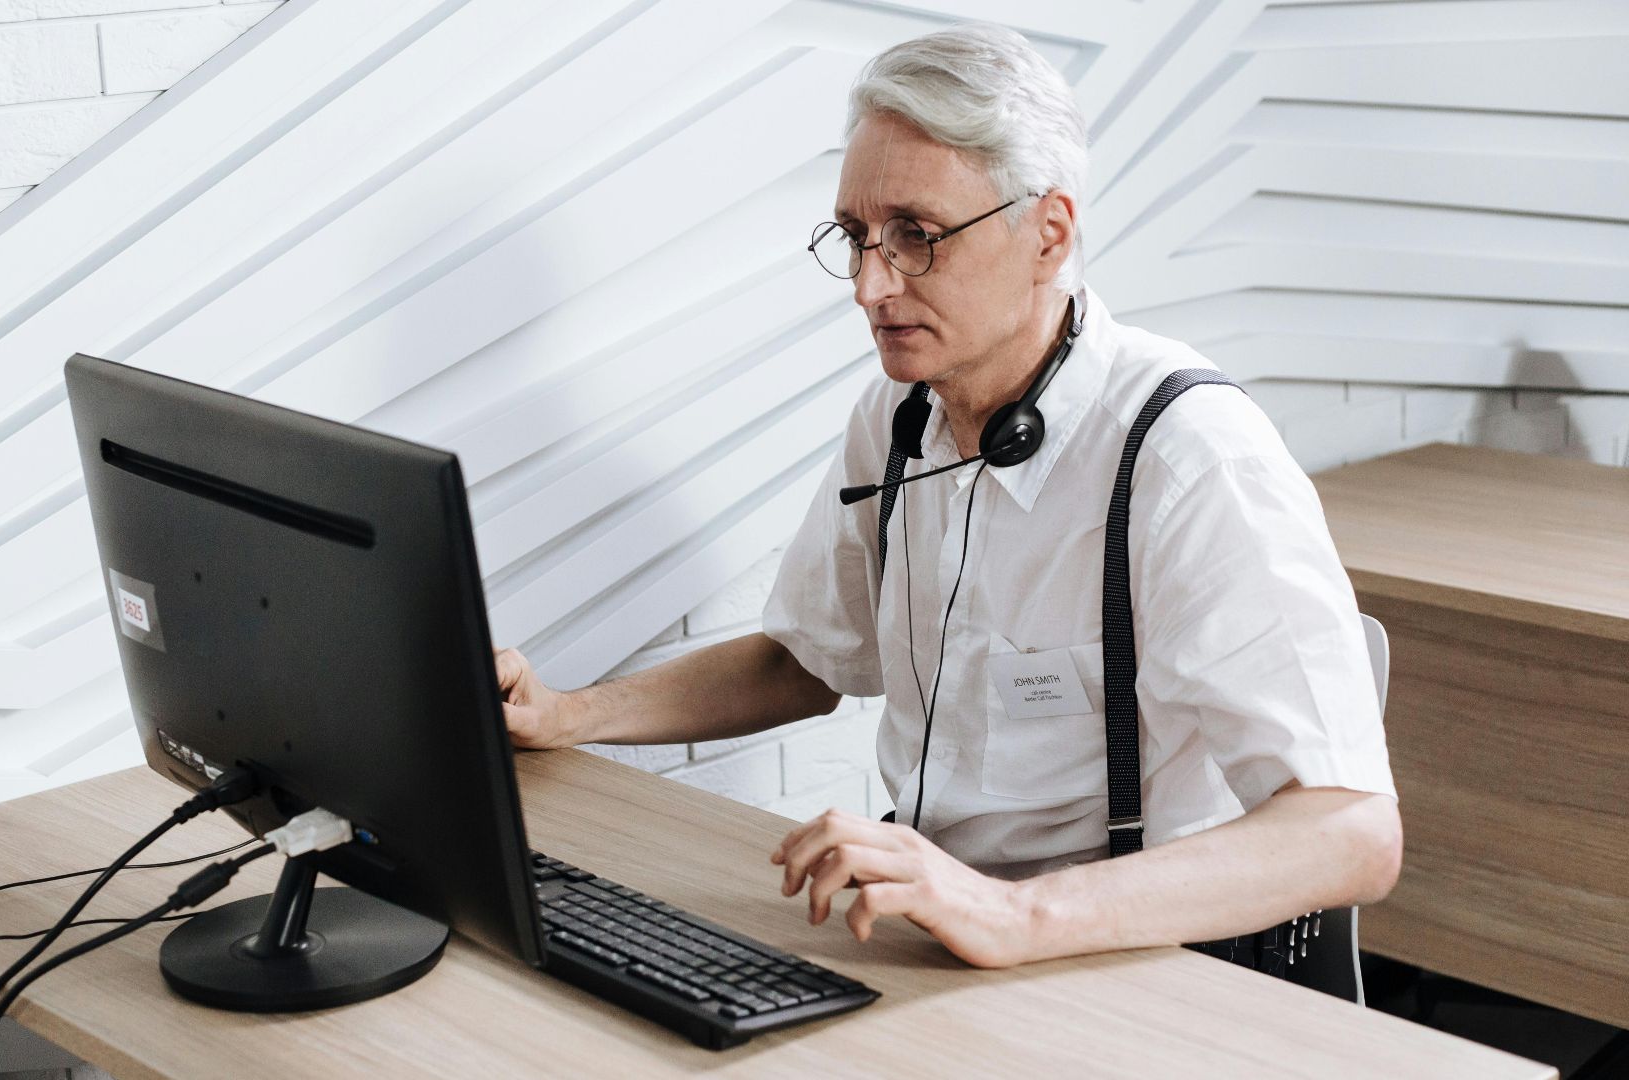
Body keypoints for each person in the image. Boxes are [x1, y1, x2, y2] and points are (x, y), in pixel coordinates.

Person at [494, 22, 1401, 970]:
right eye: (857, 239)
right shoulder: (895, 414)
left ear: (1048, 233)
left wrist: (1013, 915)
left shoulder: (1190, 456)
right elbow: (804, 661)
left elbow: (1351, 836)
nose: (870, 287)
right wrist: (568, 715)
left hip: (1128, 961)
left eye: (917, 238)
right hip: (936, 931)